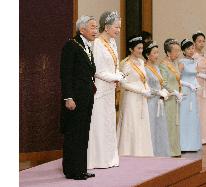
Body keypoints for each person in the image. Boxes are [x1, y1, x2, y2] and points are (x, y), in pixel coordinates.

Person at [60, 15, 97, 180]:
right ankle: (71, 170)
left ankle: (81, 168)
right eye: (92, 27)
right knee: (73, 134)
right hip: (75, 98)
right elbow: (65, 74)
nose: (96, 31)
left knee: (83, 133)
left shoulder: (87, 46)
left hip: (86, 97)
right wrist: (68, 97)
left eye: (96, 27)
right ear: (82, 29)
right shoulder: (71, 45)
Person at [87, 11, 124, 169]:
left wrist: (118, 74)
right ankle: (97, 159)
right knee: (99, 123)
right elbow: (96, 70)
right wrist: (115, 77)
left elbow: (113, 65)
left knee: (109, 123)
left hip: (111, 89)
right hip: (100, 90)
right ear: (107, 27)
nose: (119, 30)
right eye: (116, 27)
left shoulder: (112, 43)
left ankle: (109, 157)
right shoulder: (97, 44)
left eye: (120, 27)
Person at [117, 35, 153, 156]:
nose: (141, 51)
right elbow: (124, 84)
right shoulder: (126, 63)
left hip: (142, 97)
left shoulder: (142, 62)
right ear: (131, 49)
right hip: (131, 97)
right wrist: (140, 91)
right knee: (131, 124)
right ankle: (129, 152)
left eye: (142, 48)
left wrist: (147, 89)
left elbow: (144, 79)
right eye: (138, 48)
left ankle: (142, 152)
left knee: (141, 123)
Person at [143, 40, 170, 157]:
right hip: (151, 102)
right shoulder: (145, 69)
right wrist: (157, 91)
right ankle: (151, 152)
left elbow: (161, 83)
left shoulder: (156, 67)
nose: (157, 55)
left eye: (158, 52)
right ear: (147, 55)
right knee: (151, 127)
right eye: (154, 53)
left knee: (160, 126)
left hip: (159, 101)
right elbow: (146, 87)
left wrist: (167, 91)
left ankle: (160, 152)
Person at [159, 38, 183, 157]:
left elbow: (178, 80)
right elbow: (163, 82)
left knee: (175, 124)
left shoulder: (175, 63)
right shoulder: (163, 65)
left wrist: (180, 91)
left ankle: (175, 150)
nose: (178, 53)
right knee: (169, 124)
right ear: (168, 52)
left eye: (179, 51)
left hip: (176, 98)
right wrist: (174, 92)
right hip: (169, 98)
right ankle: (168, 150)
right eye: (176, 51)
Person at [178, 39, 202, 151]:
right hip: (185, 90)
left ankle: (193, 144)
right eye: (188, 49)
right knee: (184, 116)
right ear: (183, 50)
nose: (191, 50)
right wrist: (188, 85)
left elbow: (194, 76)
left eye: (192, 48)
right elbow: (177, 79)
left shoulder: (194, 61)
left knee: (193, 116)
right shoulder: (181, 62)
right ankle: (183, 144)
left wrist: (196, 84)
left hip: (193, 91)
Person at [192, 31, 206, 144]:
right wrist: (201, 75)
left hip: (205, 83)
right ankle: (198, 137)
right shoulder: (192, 55)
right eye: (199, 41)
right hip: (197, 83)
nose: (202, 43)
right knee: (198, 108)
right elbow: (190, 71)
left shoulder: (205, 54)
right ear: (194, 43)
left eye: (203, 41)